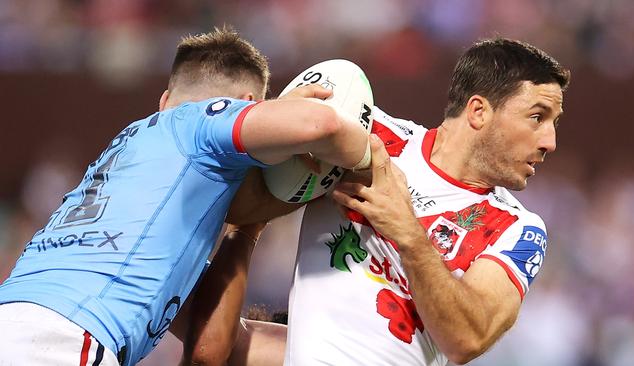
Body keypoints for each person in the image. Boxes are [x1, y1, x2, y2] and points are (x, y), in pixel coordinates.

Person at [183, 37, 570, 366]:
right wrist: (273, 141)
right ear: (479, 111)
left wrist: (408, 232)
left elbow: (467, 339)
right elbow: (242, 210)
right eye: (538, 117)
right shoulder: (367, 132)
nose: (549, 141)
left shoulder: (517, 228)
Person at [0, 27, 373, 366]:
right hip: (64, 339)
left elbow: (210, 351)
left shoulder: (140, 191)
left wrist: (247, 226)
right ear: (246, 104)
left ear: (163, 100)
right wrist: (375, 166)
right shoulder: (196, 122)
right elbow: (321, 123)